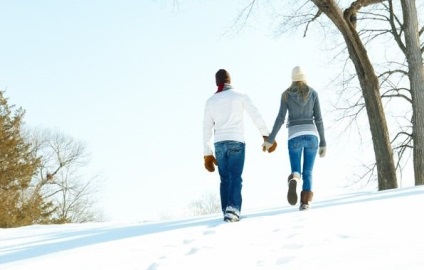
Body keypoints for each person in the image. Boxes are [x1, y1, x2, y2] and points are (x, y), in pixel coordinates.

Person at [203, 69, 277, 222]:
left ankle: (226, 210)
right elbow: (255, 115)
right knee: (235, 176)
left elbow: (206, 128)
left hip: (219, 144)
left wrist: (207, 153)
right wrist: (266, 135)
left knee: (224, 178)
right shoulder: (240, 96)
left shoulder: (210, 101)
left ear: (217, 83)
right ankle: (233, 209)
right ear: (229, 81)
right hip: (236, 141)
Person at [263, 66, 326, 211]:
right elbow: (319, 119)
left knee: (296, 171)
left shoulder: (286, 95)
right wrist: (323, 141)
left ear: (292, 79)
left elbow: (280, 118)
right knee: (308, 172)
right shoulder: (313, 93)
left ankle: (294, 179)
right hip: (312, 136)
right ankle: (305, 203)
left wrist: (270, 139)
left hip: (294, 136)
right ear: (304, 78)